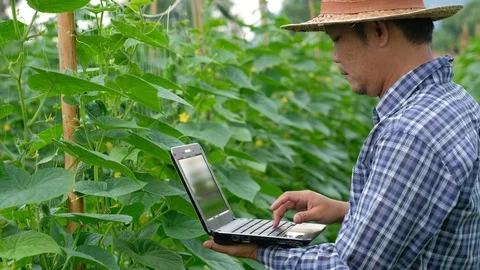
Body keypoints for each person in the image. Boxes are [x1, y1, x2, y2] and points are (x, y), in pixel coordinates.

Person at [203, 0, 480, 269]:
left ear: (378, 31)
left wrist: (258, 249)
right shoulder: (457, 101)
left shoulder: (409, 134)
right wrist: (348, 210)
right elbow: (438, 212)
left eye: (336, 39)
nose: (334, 56)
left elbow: (348, 266)